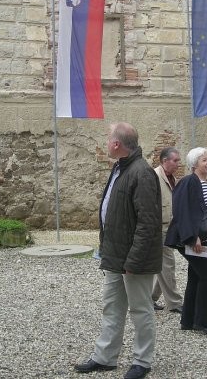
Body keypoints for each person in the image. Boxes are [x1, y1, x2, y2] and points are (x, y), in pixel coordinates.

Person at [75, 122, 163, 379]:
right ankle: (105, 357)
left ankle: (142, 361)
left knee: (140, 310)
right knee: (112, 307)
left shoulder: (142, 173)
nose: (106, 142)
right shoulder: (120, 168)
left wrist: (133, 261)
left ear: (116, 144)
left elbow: (148, 223)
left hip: (134, 260)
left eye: (108, 139)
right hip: (114, 256)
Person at [165, 147, 207, 337]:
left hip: (205, 238)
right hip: (190, 239)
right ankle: (203, 322)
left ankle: (188, 320)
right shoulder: (188, 182)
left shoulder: (205, 184)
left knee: (197, 276)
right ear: (194, 164)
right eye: (203, 160)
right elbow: (182, 210)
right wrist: (193, 237)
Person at [152, 147, 184, 314]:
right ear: (165, 161)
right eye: (175, 161)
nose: (178, 164)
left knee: (162, 265)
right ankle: (174, 302)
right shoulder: (154, 177)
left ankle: (150, 298)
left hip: (170, 228)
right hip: (160, 229)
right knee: (168, 265)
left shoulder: (173, 179)